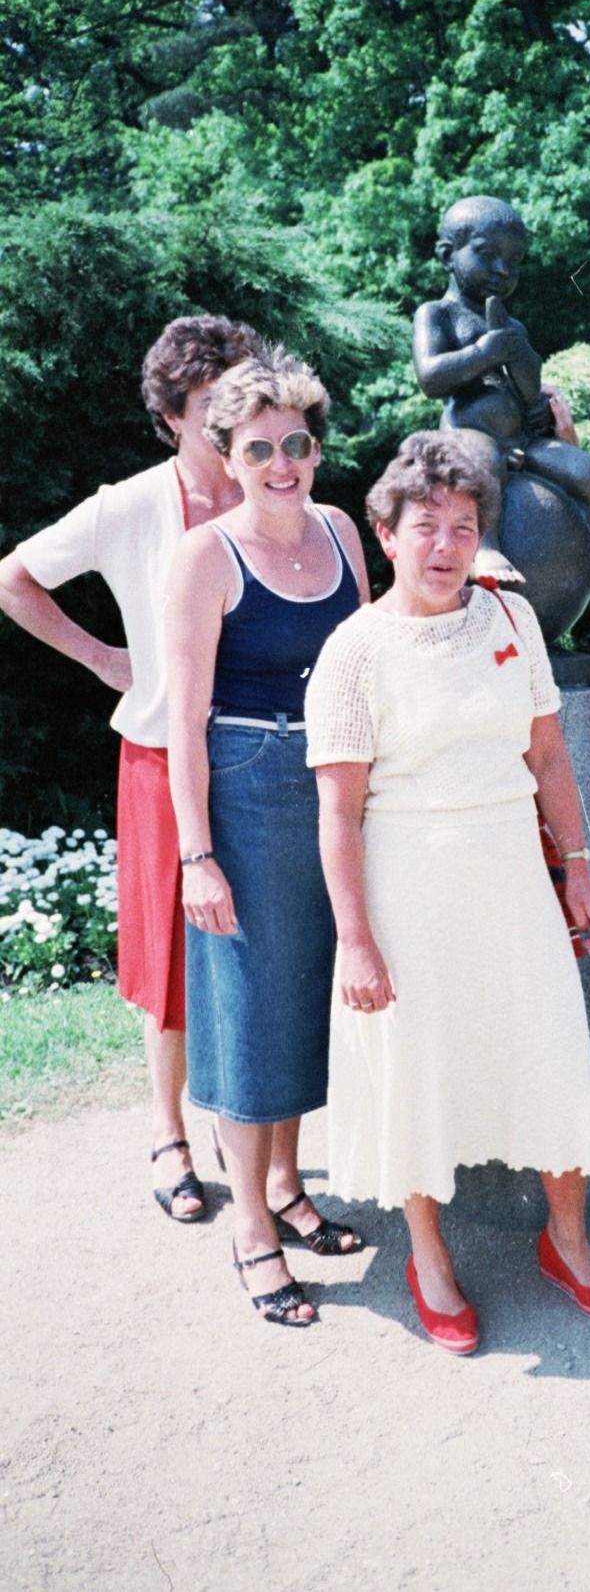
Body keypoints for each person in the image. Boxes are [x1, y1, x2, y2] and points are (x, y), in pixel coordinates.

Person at [305, 429, 590, 1355]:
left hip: (511, 878)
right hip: (406, 890)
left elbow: (545, 755)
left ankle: (567, 1242)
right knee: (419, 1075)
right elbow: (337, 815)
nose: (445, 544)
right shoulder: (353, 652)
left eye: (462, 525)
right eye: (426, 527)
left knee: (549, 1053)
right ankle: (429, 1259)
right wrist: (356, 942)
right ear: (385, 533)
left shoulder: (510, 620)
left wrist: (577, 867)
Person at [0, 314, 262, 1223]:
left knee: (257, 948)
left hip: (263, 755)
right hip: (159, 755)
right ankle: (168, 1134)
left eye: (241, 394)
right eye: (210, 405)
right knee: (167, 955)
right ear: (173, 415)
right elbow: (14, 578)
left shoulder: (272, 487)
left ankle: (245, 1129)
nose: (232, 420)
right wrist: (103, 657)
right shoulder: (129, 504)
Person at [165, 346, 368, 1326]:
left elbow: (370, 661)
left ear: (316, 448)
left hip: (332, 788)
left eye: (296, 444)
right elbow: (183, 721)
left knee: (302, 1004)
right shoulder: (206, 555)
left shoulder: (339, 532)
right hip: (244, 792)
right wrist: (195, 854)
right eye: (260, 449)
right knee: (247, 1014)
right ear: (229, 456)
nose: (282, 463)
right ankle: (251, 1226)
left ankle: (287, 1188)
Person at [412, 194, 590, 602]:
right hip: (470, 432)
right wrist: (485, 352)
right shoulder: (437, 314)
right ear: (448, 256)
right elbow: (431, 377)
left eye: (515, 261)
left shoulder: (511, 324)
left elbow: (527, 387)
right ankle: (484, 550)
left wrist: (532, 392)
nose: (503, 270)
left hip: (524, 440)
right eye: (488, 255)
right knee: (481, 469)